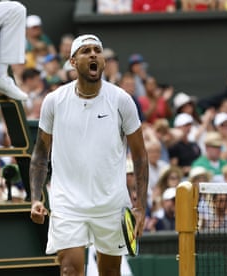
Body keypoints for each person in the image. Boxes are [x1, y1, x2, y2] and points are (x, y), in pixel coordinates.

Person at [29, 34, 148, 276]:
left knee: (111, 273)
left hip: (111, 202)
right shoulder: (53, 101)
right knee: (69, 270)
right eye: (85, 51)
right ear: (72, 62)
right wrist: (35, 198)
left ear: (103, 61)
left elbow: (140, 156)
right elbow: (40, 154)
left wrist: (141, 206)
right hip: (67, 203)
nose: (93, 54)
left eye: (97, 50)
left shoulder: (122, 100)